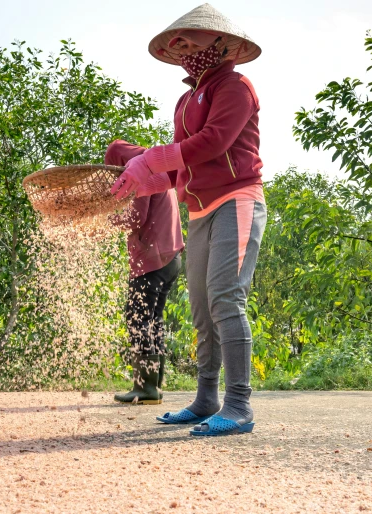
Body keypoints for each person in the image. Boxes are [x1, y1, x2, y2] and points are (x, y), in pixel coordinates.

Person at [110, 3, 266, 436]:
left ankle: (238, 405)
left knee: (225, 298)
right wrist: (140, 181)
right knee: (201, 308)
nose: (182, 50)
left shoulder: (235, 87)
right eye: (177, 44)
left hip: (237, 200)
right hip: (199, 210)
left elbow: (214, 142)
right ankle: (206, 399)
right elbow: (180, 170)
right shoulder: (185, 99)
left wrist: (152, 158)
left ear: (220, 44)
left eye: (189, 41)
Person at [106, 142, 184, 405]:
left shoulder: (137, 171)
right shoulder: (155, 165)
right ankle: (155, 385)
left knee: (136, 318)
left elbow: (135, 219)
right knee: (153, 320)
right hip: (171, 258)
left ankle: (146, 387)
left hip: (151, 259)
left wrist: (104, 220)